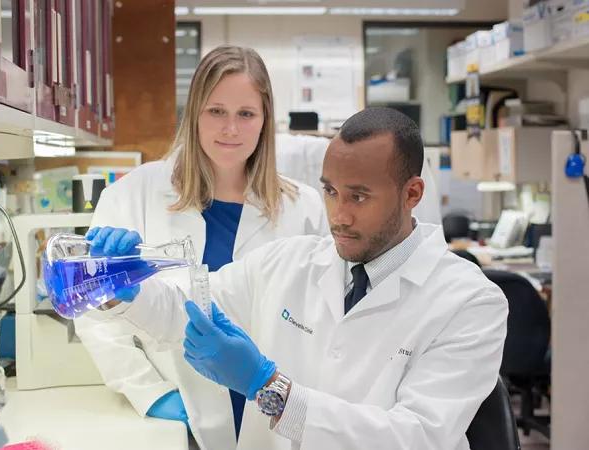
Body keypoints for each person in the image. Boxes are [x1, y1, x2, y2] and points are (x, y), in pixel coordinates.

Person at [85, 106, 509, 450]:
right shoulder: (290, 262)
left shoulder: (470, 303)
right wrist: (127, 290)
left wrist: (266, 387)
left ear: (412, 194)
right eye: (330, 192)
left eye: (359, 196)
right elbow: (188, 308)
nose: (338, 216)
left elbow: (414, 438)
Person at [74, 45, 328, 449]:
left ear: (265, 120)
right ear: (194, 114)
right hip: (179, 413)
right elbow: (95, 313)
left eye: (246, 114)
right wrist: (150, 392)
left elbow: (321, 318)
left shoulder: (304, 207)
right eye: (216, 111)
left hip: (277, 416)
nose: (231, 129)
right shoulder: (133, 194)